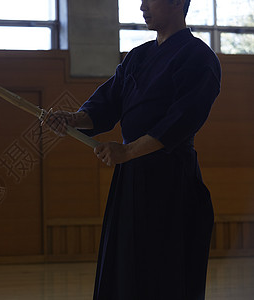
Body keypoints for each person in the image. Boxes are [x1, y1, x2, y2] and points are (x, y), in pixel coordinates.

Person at [44, 0, 221, 299]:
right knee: (124, 268)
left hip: (172, 181)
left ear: (177, 3)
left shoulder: (199, 57)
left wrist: (127, 151)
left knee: (164, 271)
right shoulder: (138, 57)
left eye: (150, 0)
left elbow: (183, 120)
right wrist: (73, 119)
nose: (142, 7)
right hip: (131, 181)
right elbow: (106, 105)